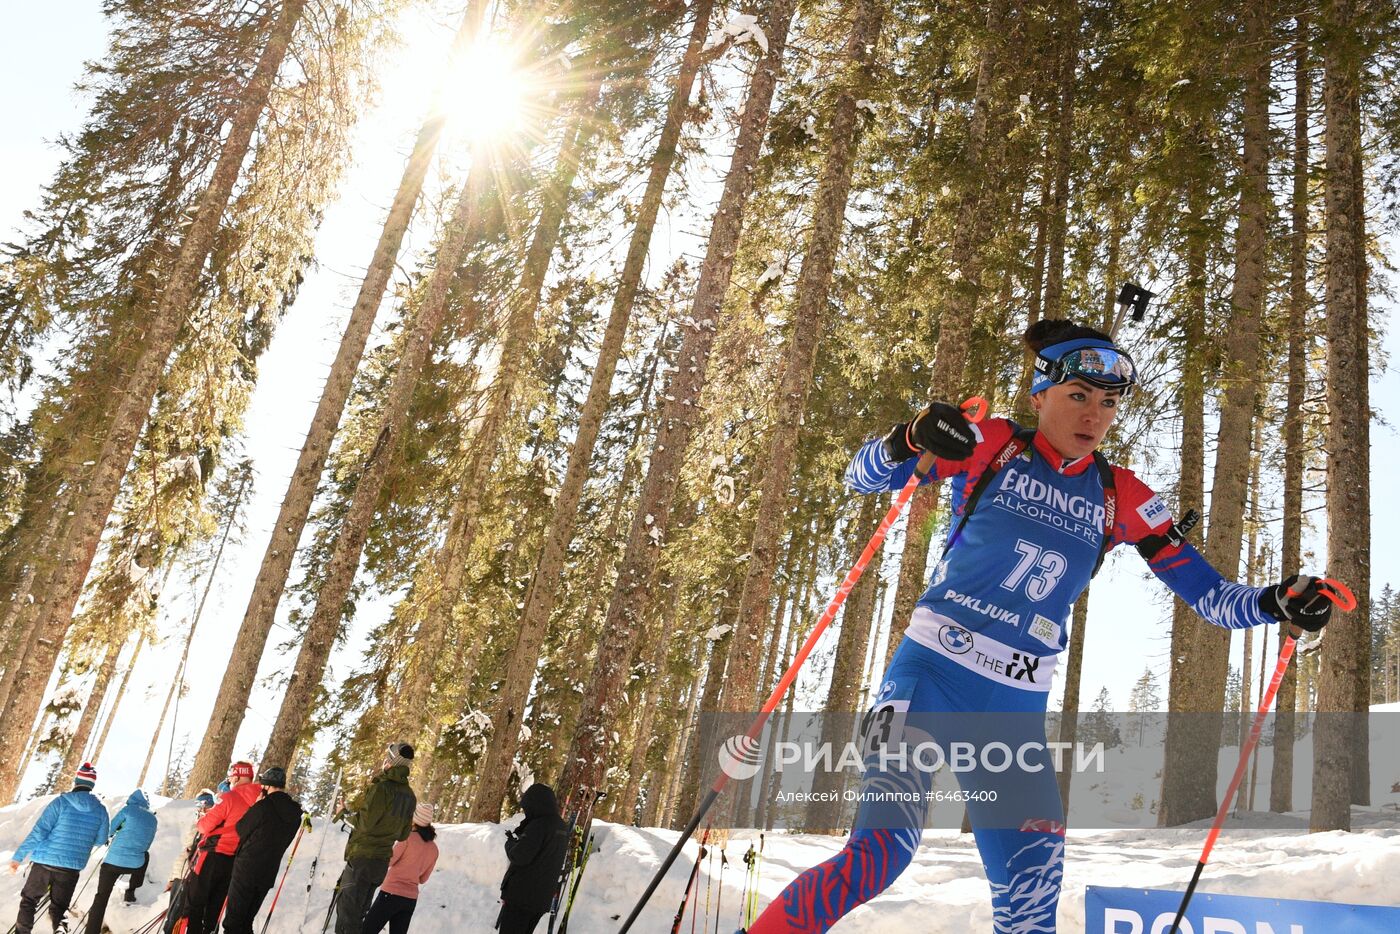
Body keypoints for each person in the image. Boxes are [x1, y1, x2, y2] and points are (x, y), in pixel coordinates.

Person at [746, 319, 1336, 933]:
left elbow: (1213, 598)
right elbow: (863, 477)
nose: (1094, 415)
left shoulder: (1121, 494)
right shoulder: (997, 444)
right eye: (1078, 396)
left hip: (1013, 707)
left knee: (1032, 891)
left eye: (1108, 403)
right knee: (879, 856)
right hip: (929, 678)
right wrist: (907, 438)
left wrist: (1278, 602)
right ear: (1040, 394)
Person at [8, 762, 109, 934]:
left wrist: (18, 857)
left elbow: (39, 832)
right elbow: (100, 840)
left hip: (44, 864)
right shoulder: (101, 810)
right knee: (60, 910)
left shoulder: (60, 803)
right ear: (92, 784)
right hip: (71, 868)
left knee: (29, 901)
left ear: (77, 781)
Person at [333, 742, 417, 934]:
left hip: (362, 859)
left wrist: (343, 814)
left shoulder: (382, 788)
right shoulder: (410, 796)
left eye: (387, 758)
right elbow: (404, 834)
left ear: (391, 762)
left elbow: (365, 824)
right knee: (359, 915)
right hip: (380, 863)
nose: (384, 762)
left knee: (348, 916)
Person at [220, 767, 304, 934]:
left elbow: (241, 829)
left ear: (266, 786)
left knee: (233, 922)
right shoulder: (295, 813)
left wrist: (256, 806)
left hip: (246, 868)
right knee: (246, 921)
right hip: (268, 871)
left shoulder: (263, 806)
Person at [185, 762, 261, 934]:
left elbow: (204, 826)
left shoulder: (229, 797)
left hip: (213, 854)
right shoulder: (259, 802)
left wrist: (202, 820)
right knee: (215, 906)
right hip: (236, 860)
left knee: (196, 902)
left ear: (237, 776)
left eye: (232, 776)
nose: (231, 780)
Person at [82, 788, 158, 934]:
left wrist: (114, 834)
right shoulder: (153, 819)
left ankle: (91, 931)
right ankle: (131, 891)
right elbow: (147, 843)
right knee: (145, 855)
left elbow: (110, 831)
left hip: (112, 863)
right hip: (135, 865)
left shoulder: (128, 810)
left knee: (101, 898)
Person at [497, 783, 568, 934]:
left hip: (522, 898)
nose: (526, 811)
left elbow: (519, 856)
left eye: (528, 807)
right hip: (540, 899)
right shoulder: (561, 826)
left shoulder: (539, 825)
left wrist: (510, 844)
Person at [361, 802, 439, 934]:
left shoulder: (407, 837)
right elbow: (423, 879)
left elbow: (389, 861)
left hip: (390, 894)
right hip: (410, 900)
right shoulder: (434, 849)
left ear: (414, 819)